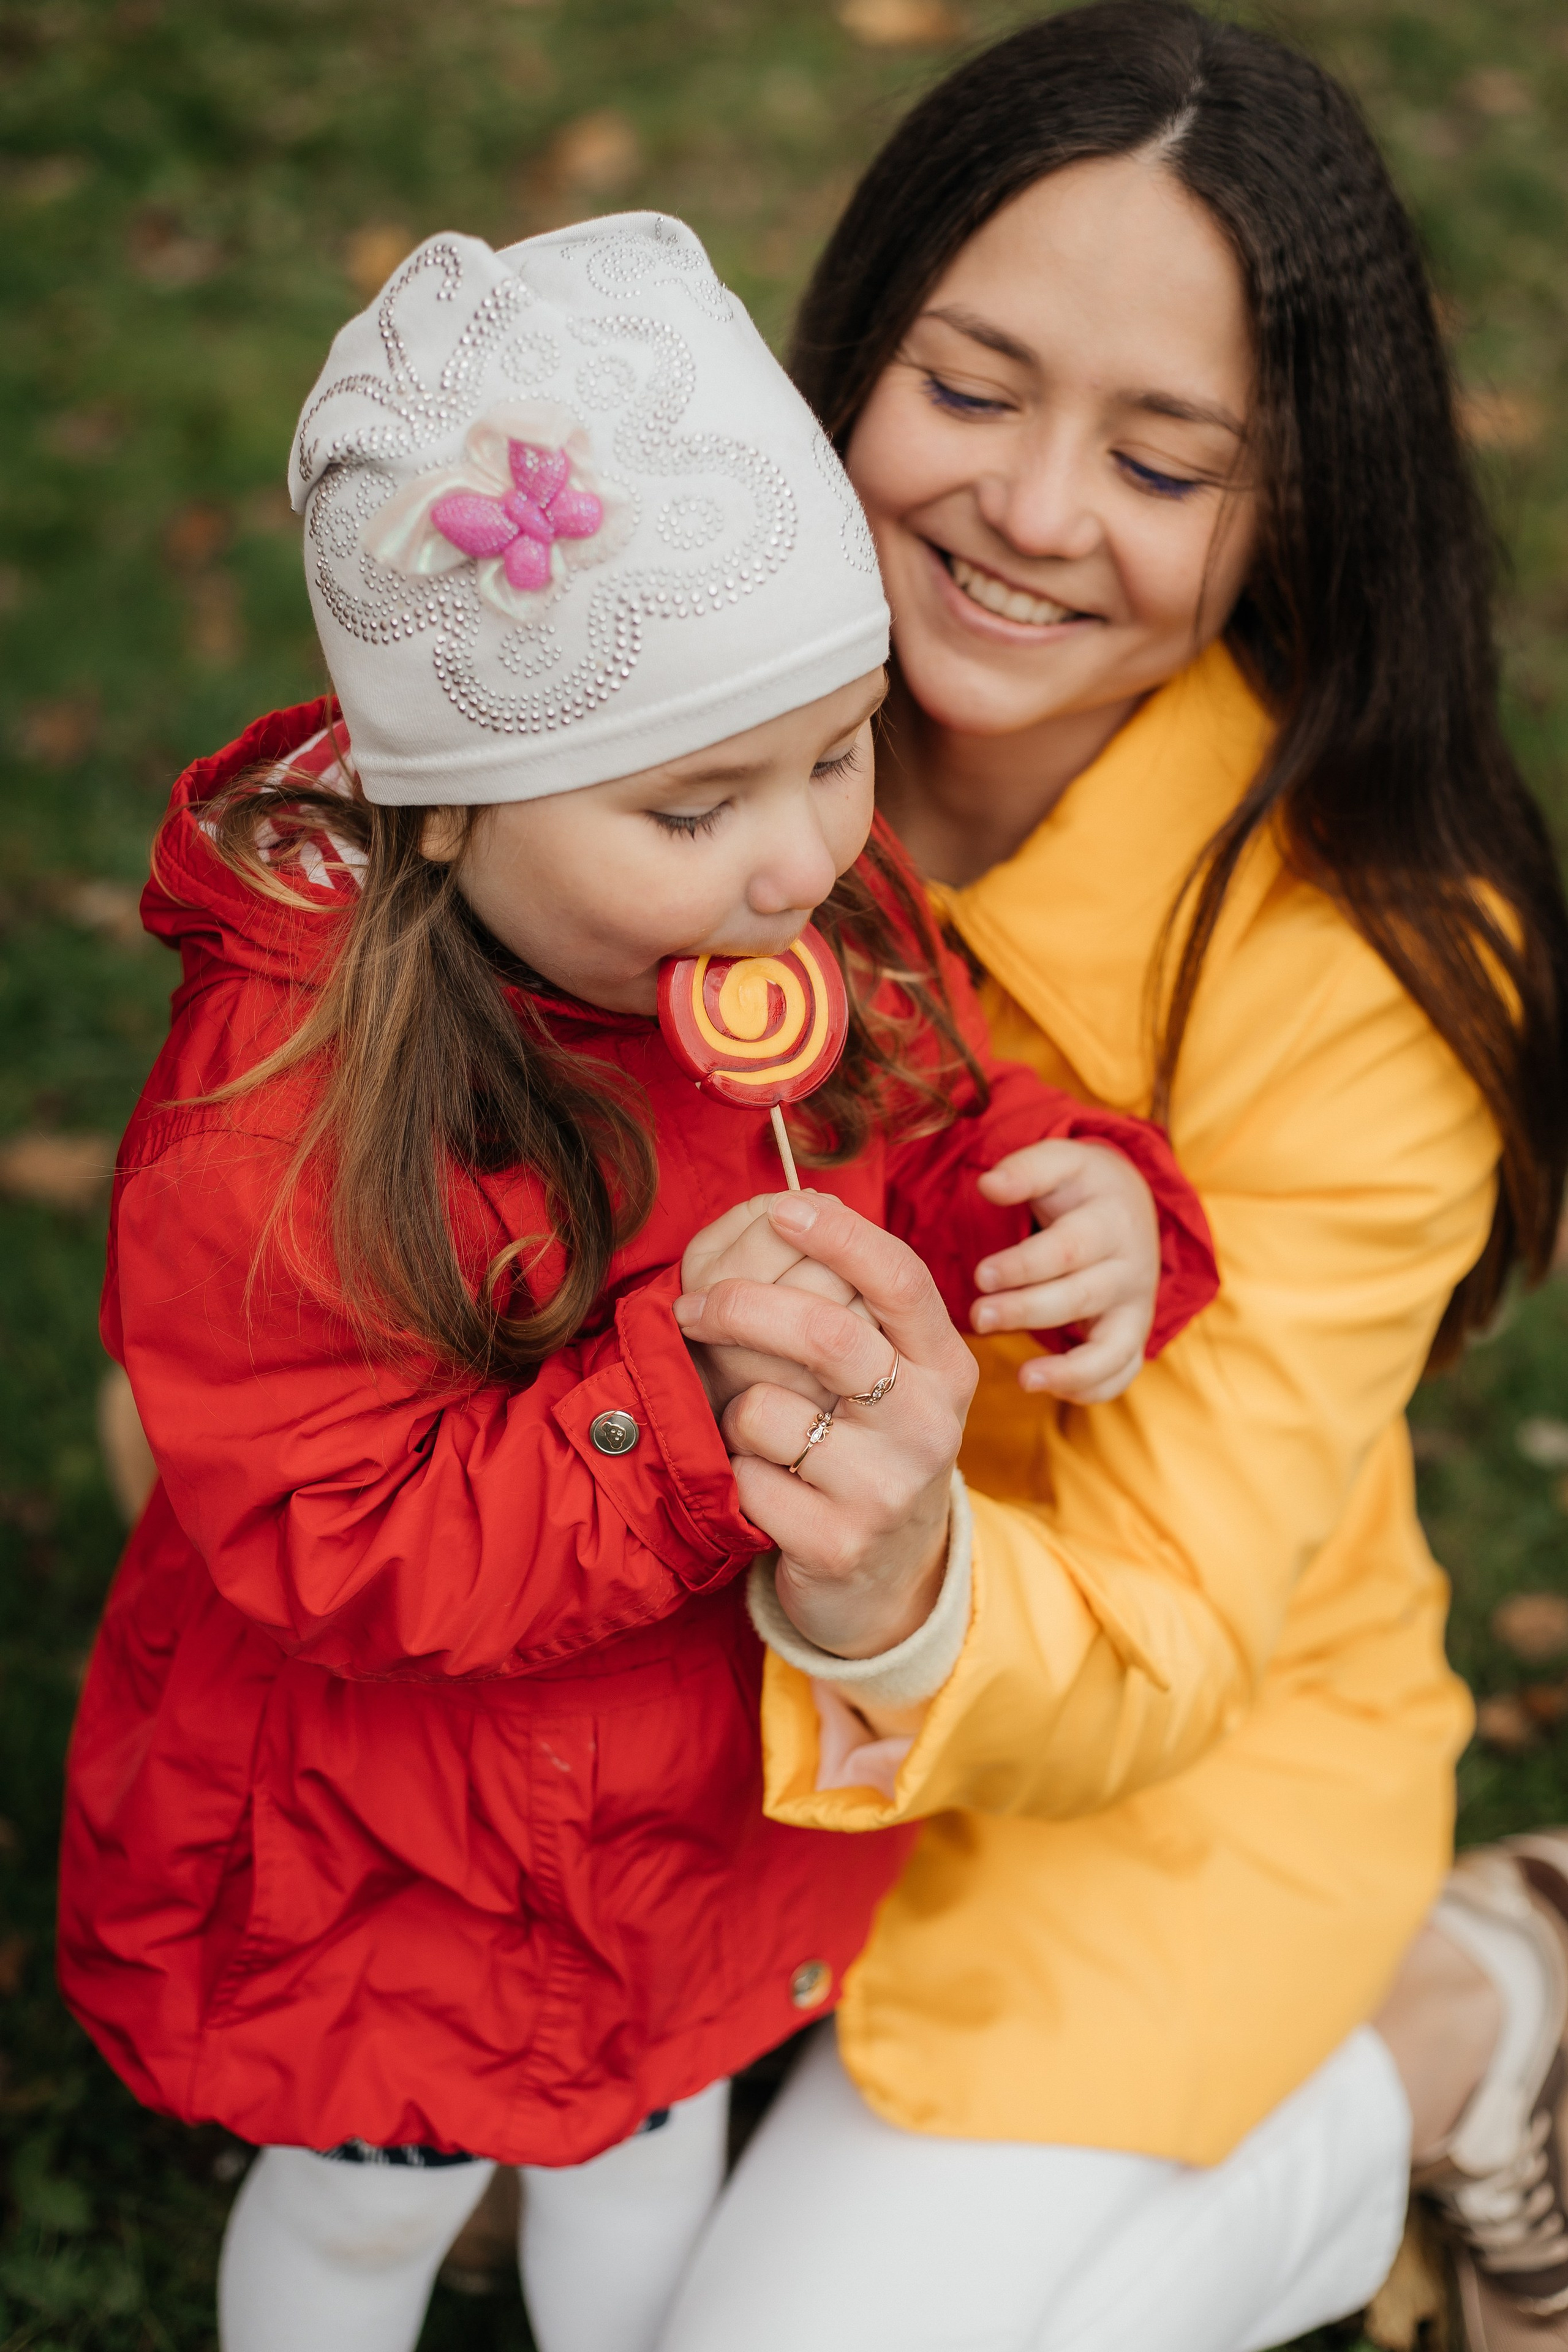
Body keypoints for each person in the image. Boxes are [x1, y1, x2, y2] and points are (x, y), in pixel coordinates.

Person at [54, 214, 1217, 2352]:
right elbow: (337, 1533)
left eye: (840, 752)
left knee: (653, 2134)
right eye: (695, 805)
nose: (797, 858)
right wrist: (688, 1406)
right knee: (364, 2213)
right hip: (396, 1830)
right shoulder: (290, 1121)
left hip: (691, 1794)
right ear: (441, 816)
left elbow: (928, 1125)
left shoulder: (818, 917)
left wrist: (1066, 1189)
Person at [655, 10, 1568, 2352]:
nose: (1036, 511)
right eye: (968, 394)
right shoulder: (646, 740)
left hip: (1151, 1753)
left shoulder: (1365, 961)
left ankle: (1468, 2016)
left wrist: (887, 1581)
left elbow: (1166, 1617)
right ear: (849, 359)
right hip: (636, 1673)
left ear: (1294, 511)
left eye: (1166, 460)